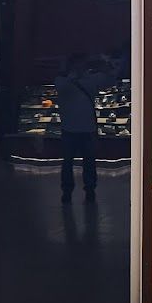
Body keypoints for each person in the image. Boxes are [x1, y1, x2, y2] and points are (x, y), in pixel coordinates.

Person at [55, 55, 112, 203]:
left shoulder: (63, 81)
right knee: (88, 162)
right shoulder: (89, 80)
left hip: (70, 129)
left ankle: (68, 192)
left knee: (69, 162)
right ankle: (89, 190)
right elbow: (109, 79)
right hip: (86, 130)